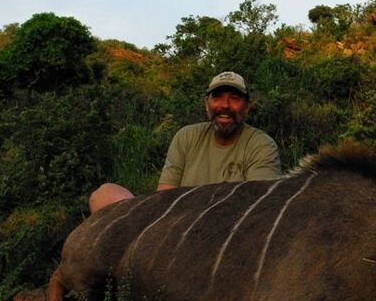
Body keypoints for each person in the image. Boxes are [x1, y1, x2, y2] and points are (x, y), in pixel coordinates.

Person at [88, 71, 281, 212]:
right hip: (178, 225)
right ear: (207, 104)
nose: (225, 105)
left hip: (227, 231)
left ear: (247, 107)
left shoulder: (261, 145)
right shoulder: (186, 136)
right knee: (104, 195)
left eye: (235, 98)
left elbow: (259, 209)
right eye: (217, 97)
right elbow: (163, 197)